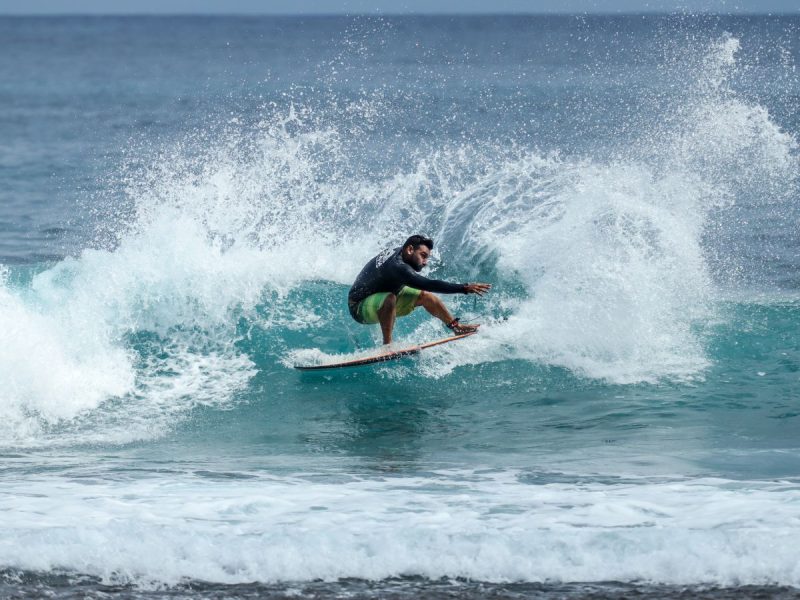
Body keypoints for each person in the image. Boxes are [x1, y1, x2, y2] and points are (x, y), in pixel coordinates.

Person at [348, 235, 492, 344]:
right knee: (390, 298)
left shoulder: (400, 254)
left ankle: (456, 327)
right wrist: (464, 288)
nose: (425, 262)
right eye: (423, 256)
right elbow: (430, 284)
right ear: (410, 249)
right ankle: (387, 346)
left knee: (426, 297)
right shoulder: (398, 267)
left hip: (380, 296)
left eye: (427, 257)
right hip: (359, 306)